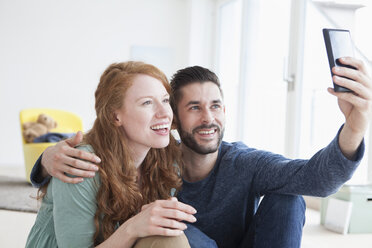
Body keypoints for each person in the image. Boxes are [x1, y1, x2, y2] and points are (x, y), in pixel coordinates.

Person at [31, 57, 372, 248]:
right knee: (169, 226)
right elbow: (102, 145)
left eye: (216, 106)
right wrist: (45, 161)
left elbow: (316, 179)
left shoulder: (241, 162)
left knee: (289, 197)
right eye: (193, 107)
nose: (208, 118)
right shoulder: (149, 157)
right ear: (176, 120)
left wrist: (355, 126)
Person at [26, 61, 198, 248]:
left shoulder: (166, 158)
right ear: (115, 116)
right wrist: (132, 228)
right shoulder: (81, 165)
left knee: (171, 238)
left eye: (165, 100)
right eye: (147, 103)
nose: (165, 112)